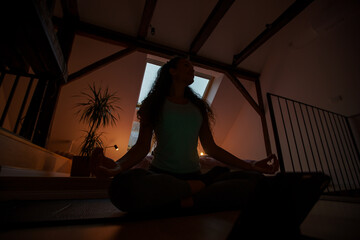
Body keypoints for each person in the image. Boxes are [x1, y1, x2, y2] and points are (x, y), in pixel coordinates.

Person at [91, 56, 330, 237]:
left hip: (190, 175)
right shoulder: (153, 104)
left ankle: (184, 195)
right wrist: (116, 169)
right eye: (186, 65)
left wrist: (253, 165)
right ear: (171, 71)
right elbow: (142, 147)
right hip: (162, 178)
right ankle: (199, 190)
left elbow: (212, 148)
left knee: (255, 182)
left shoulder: (198, 108)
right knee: (120, 188)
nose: (192, 68)